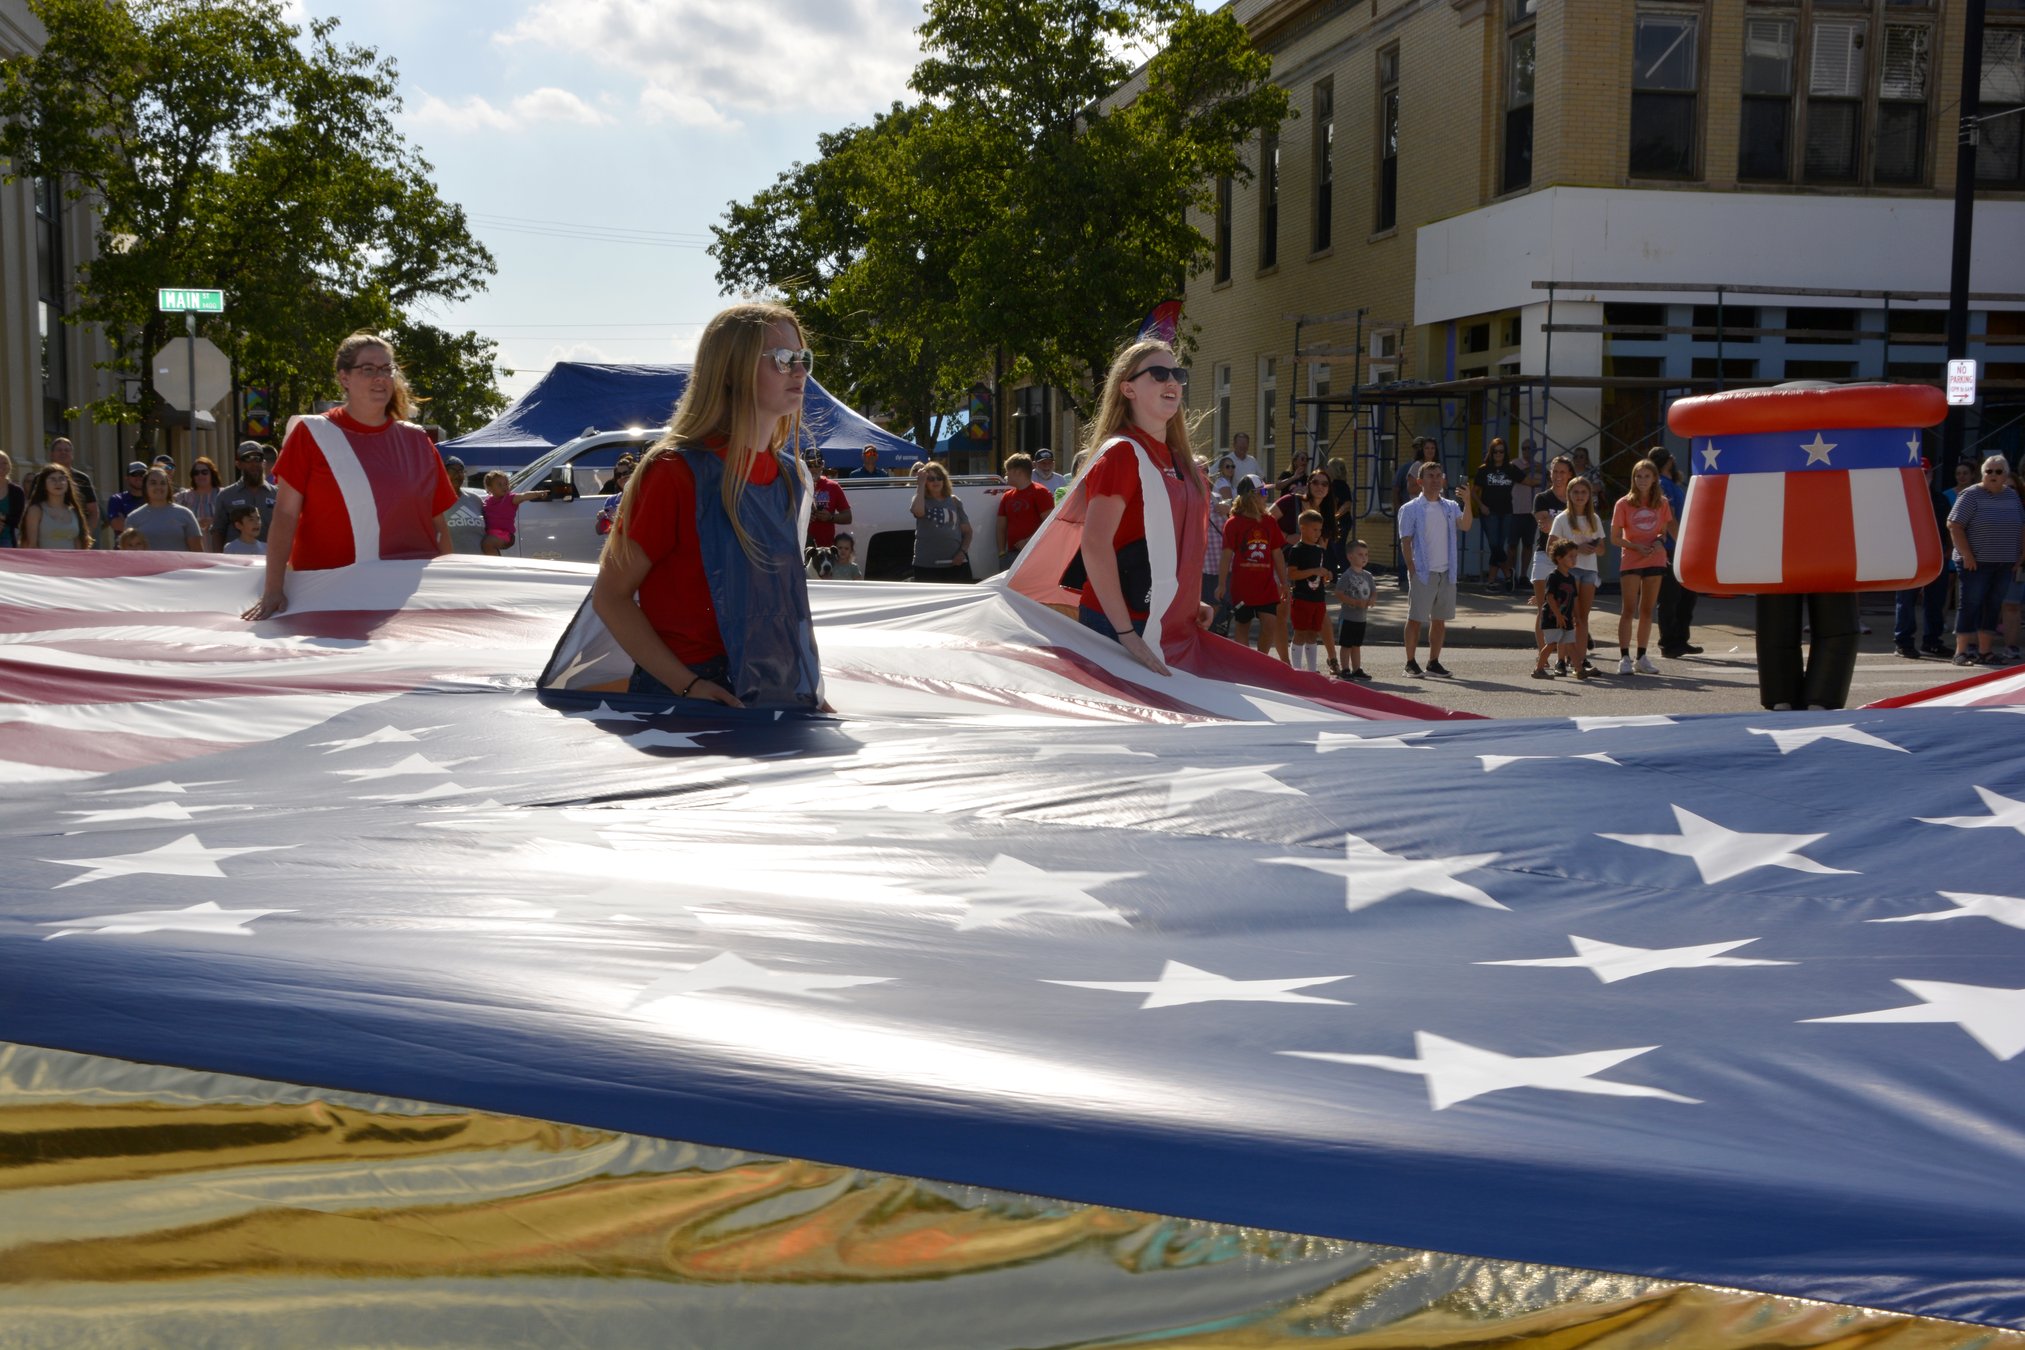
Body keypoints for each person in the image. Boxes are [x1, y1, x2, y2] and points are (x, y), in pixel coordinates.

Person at [590, 300, 822, 709]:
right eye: (783, 359)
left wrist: (810, 691)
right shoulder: (673, 472)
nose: (800, 370)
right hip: (685, 698)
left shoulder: (792, 477)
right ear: (731, 370)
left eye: (803, 357)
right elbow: (610, 597)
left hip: (773, 688)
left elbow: (784, 607)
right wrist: (689, 686)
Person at [244, 331, 457, 621]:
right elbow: (285, 515)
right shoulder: (311, 433)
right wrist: (273, 588)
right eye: (368, 369)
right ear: (344, 377)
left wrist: (450, 590)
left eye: (386, 369)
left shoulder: (418, 440)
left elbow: (438, 525)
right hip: (328, 598)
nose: (380, 378)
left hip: (408, 599)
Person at [1068, 341, 1212, 673]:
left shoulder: (1179, 461)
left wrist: (1189, 601)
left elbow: (1171, 543)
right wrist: (1125, 634)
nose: (1171, 381)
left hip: (1164, 620)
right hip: (1121, 624)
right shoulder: (1122, 453)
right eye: (1159, 374)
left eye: (1177, 374)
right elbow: (1095, 543)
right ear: (1128, 389)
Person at [1947, 455, 2025, 666]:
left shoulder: (2012, 496)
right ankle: (1961, 652)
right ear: (1982, 474)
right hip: (1975, 563)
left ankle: (1985, 651)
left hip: (2004, 563)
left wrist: (2021, 553)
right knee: (1970, 605)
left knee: (1993, 606)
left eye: (1998, 471)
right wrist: (1967, 555)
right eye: (1989, 471)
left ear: (2006, 475)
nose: (1993, 475)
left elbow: (2022, 525)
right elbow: (1954, 525)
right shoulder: (1971, 495)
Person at [1397, 458, 1472, 678]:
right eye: (1430, 476)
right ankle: (1410, 663)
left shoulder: (1450, 506)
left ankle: (1433, 662)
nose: (1436, 480)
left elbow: (1466, 525)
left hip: (1447, 572)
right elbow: (1405, 540)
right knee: (1415, 618)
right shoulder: (1410, 508)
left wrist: (1468, 501)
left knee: (1439, 620)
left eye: (1439, 476)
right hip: (1423, 571)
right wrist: (1411, 568)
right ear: (1420, 481)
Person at [1612, 457, 1674, 675]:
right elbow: (1615, 538)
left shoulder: (1662, 503)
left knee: (1647, 610)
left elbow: (1663, 532)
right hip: (1631, 558)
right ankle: (1624, 657)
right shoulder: (1623, 503)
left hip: (1655, 558)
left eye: (1647, 476)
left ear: (1655, 478)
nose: (1642, 480)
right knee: (1628, 609)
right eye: (1638, 476)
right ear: (1633, 478)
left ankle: (1641, 657)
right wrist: (1635, 546)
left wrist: (1658, 541)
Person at [1219, 477, 1288, 659]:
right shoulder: (1233, 523)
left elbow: (1277, 554)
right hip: (1243, 586)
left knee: (1270, 624)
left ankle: (1260, 660)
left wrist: (1284, 582)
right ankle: (1245, 663)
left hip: (1266, 586)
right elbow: (1226, 556)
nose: (1266, 496)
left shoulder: (1269, 521)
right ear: (1251, 496)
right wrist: (1221, 584)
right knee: (1243, 625)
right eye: (1263, 492)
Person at [1894, 456, 1954, 661]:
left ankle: (1932, 642)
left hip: (1936, 555)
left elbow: (1950, 525)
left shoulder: (1940, 499)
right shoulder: (1901, 497)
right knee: (1906, 600)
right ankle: (1903, 642)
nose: (1921, 477)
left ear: (1931, 475)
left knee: (1935, 600)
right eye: (1917, 474)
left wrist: (1949, 548)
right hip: (1908, 555)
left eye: (1924, 473)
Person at [1550, 475, 1606, 676]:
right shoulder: (1562, 518)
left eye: (1584, 492)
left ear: (1590, 495)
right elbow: (1551, 547)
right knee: (1568, 617)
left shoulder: (1594, 518)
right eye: (1576, 492)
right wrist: (1576, 548)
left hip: (1589, 571)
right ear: (1569, 494)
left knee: (1582, 618)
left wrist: (1594, 547)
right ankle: (1561, 660)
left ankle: (1580, 661)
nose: (1580, 496)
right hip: (1569, 571)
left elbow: (1602, 550)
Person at [1649, 446, 1701, 659]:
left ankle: (1681, 638)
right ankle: (1668, 642)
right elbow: (1669, 519)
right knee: (1670, 597)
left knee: (1687, 595)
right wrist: (1682, 543)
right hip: (1671, 548)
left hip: (1679, 545)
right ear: (1668, 461)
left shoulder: (1673, 484)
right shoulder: (1662, 485)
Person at [1285, 509, 1337, 674]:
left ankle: (1312, 670)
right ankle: (1296, 669)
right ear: (1303, 528)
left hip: (1318, 598)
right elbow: (1292, 574)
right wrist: (1314, 571)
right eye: (1314, 529)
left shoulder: (1319, 550)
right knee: (1300, 632)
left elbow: (1322, 573)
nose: (1318, 533)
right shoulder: (1297, 550)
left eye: (1319, 530)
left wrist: (1327, 574)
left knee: (1313, 634)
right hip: (1302, 598)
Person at [910, 461, 973, 582]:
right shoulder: (920, 499)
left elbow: (968, 532)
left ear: (944, 480)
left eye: (939, 478)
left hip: (956, 564)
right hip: (926, 566)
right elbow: (918, 512)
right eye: (931, 479)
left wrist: (962, 552)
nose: (936, 481)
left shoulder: (955, 501)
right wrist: (920, 484)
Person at [1391, 437, 1442, 587]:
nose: (1429, 451)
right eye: (1425, 448)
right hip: (1417, 510)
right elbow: (1402, 489)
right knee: (1409, 542)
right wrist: (1398, 508)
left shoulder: (1438, 466)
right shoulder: (1414, 466)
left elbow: (1442, 488)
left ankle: (1431, 576)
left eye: (1432, 448)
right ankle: (1406, 576)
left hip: (1435, 510)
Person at [213, 442, 280, 552]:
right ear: (238, 464)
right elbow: (217, 532)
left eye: (257, 458)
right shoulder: (226, 495)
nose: (253, 463)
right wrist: (219, 559)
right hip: (236, 559)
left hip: (269, 558)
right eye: (247, 459)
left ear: (263, 463)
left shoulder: (277, 494)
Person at [1473, 438, 1520, 588]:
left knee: (1498, 546)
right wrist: (1481, 505)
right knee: (1494, 544)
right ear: (1491, 453)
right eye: (1495, 451)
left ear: (1505, 453)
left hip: (1506, 512)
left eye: (1501, 451)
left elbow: (1527, 480)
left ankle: (1492, 581)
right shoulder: (1484, 469)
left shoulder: (1511, 468)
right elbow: (1474, 492)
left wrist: (1548, 476)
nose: (1498, 454)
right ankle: (1508, 572)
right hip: (1489, 512)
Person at [122, 467, 205, 551]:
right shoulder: (133, 518)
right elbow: (128, 554)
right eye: (153, 483)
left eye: (163, 483)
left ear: (168, 487)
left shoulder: (185, 514)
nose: (158, 487)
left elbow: (197, 552)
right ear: (145, 487)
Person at [995, 452, 1053, 567]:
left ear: (1017, 472)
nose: (1006, 475)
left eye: (1008, 471)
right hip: (1011, 555)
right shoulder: (1007, 496)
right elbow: (1000, 527)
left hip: (1035, 552)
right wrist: (1002, 553)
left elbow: (1049, 523)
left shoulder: (1040, 492)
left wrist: (1028, 541)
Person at [1535, 539, 1581, 680]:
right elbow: (1549, 597)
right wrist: (1558, 615)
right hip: (1552, 618)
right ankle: (1538, 669)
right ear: (1559, 558)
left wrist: (1576, 616)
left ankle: (1580, 670)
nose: (1574, 559)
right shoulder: (1553, 577)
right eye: (1570, 556)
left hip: (1566, 618)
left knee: (1571, 645)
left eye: (1575, 556)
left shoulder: (1571, 578)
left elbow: (1574, 599)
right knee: (1551, 644)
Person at [479, 470, 552, 556]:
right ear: (490, 488)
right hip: (490, 534)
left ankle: (495, 562)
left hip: (505, 535)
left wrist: (537, 493)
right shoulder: (487, 502)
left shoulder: (510, 498)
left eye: (506, 484)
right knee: (483, 541)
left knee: (488, 543)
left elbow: (524, 496)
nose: (504, 487)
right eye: (500, 485)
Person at [1332, 538, 1374, 680]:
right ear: (1350, 557)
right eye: (1360, 554)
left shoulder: (1368, 576)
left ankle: (1357, 669)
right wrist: (1354, 602)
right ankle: (1345, 669)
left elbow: (1374, 592)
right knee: (1346, 645)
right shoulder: (1347, 575)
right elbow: (1338, 593)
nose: (1364, 558)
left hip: (1361, 618)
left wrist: (1372, 599)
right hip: (1348, 617)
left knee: (1356, 645)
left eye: (1366, 554)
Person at [21, 464, 92, 549]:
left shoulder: (74, 511)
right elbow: (31, 545)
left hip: (70, 557)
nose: (58, 483)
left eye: (62, 479)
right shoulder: (36, 510)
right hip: (45, 557)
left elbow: (78, 542)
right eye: (52, 479)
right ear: (44, 485)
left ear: (67, 484)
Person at [46, 437, 98, 536]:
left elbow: (93, 512)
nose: (63, 452)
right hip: (47, 534)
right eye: (59, 450)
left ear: (72, 455)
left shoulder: (83, 479)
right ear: (51, 454)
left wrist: (86, 535)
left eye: (67, 450)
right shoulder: (41, 478)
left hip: (76, 535)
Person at [441, 455, 489, 554]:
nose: (458, 475)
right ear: (443, 473)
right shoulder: (435, 501)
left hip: (479, 561)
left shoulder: (475, 499)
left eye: (461, 471)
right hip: (450, 562)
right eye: (453, 470)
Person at [805, 456, 852, 550]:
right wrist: (803, 517)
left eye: (817, 464)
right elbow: (783, 515)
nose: (813, 469)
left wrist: (830, 517)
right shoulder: (796, 485)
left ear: (822, 465)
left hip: (825, 548)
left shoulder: (833, 486)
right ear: (803, 466)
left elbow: (848, 517)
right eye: (809, 465)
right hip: (800, 545)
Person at [106, 461, 148, 537]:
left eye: (142, 474)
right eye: (134, 474)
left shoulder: (154, 499)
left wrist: (126, 522)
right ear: (127, 478)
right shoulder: (117, 499)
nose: (139, 477)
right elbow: (116, 524)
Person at [0, 451, 24, 547]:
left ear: (9, 466)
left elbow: (18, 520)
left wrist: (3, 517)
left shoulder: (17, 491)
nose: (1, 466)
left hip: (7, 540)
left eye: (5, 463)